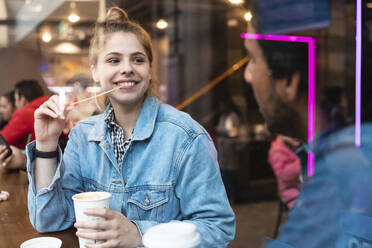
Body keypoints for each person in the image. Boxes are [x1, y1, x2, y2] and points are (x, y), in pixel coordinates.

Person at [26, 7, 235, 248]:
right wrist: (45, 145)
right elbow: (48, 220)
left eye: (138, 59)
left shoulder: (186, 136)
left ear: (148, 72)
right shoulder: (83, 135)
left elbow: (218, 228)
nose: (127, 68)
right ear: (95, 71)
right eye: (114, 60)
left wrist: (140, 234)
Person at [244, 16, 372, 248]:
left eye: (253, 59)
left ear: (289, 80)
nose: (247, 75)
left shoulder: (346, 168)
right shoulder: (337, 153)